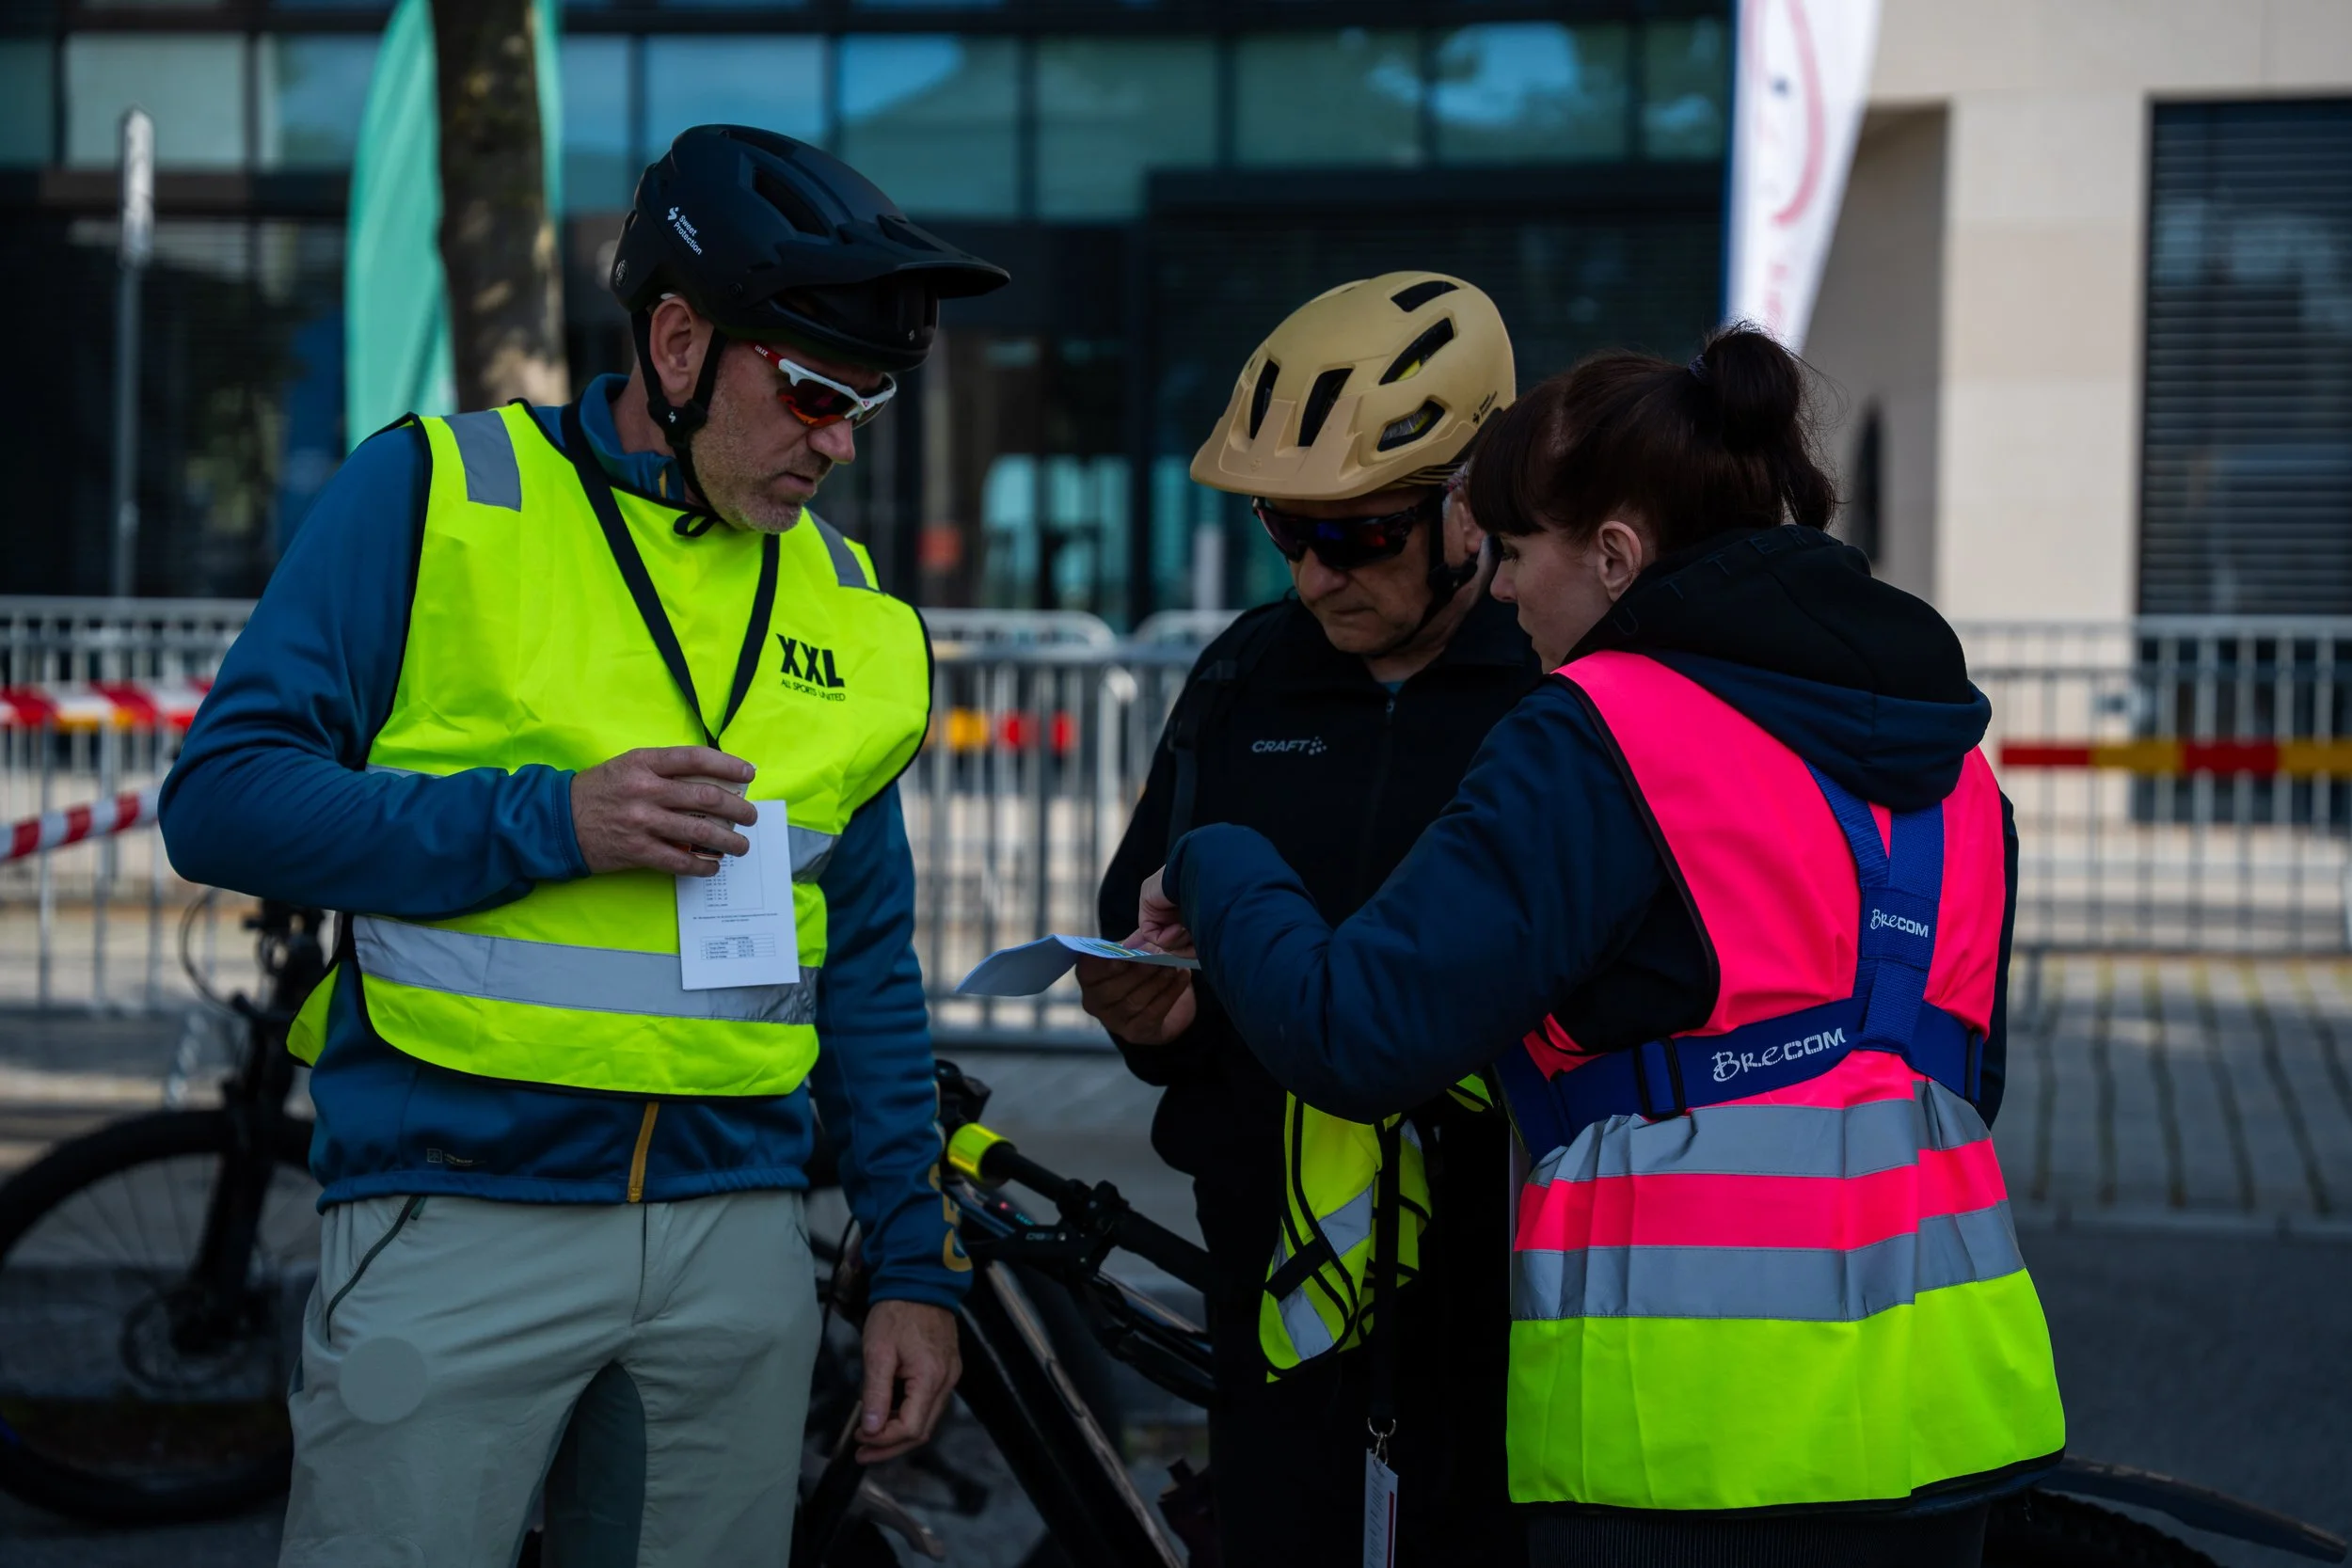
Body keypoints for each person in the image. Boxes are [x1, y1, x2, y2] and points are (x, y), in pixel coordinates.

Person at [159, 126, 1007, 1567]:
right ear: (676, 342)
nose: (840, 442)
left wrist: (914, 1265)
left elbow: (865, 956)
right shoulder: (439, 497)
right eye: (811, 389)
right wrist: (551, 819)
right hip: (454, 1206)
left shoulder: (859, 613)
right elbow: (223, 799)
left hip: (739, 1242)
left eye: (866, 400)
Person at [1128, 326, 2066, 1566]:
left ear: (1615, 556)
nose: (1503, 589)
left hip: (1684, 1450)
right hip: (1944, 1429)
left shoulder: (1599, 732)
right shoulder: (1956, 774)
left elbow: (1356, 1030)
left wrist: (1218, 856)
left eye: (1517, 552)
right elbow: (1952, 1082)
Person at [1077, 273, 1536, 1567]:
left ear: (1472, 503)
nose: (1314, 574)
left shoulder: (1557, 677)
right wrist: (1145, 1018)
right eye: (1289, 529)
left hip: (1506, 1296)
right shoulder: (1244, 672)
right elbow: (1141, 919)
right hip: (1276, 1286)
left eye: (1362, 536)